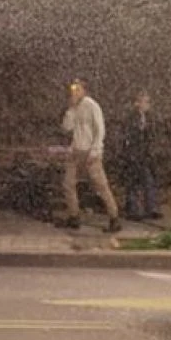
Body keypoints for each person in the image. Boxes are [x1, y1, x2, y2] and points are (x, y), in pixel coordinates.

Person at [59, 79, 121, 233]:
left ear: (85, 91)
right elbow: (67, 127)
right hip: (76, 151)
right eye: (73, 90)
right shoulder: (75, 107)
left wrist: (96, 150)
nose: (75, 92)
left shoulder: (92, 106)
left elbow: (100, 129)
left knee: (100, 185)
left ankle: (114, 217)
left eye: (78, 89)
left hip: (90, 151)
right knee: (68, 183)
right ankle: (74, 216)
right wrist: (71, 109)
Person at [121, 90, 163, 221]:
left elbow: (150, 136)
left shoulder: (149, 118)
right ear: (137, 103)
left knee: (148, 181)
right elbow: (128, 137)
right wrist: (130, 153)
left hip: (144, 156)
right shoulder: (130, 119)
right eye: (145, 102)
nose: (148, 105)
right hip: (134, 155)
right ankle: (133, 210)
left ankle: (151, 208)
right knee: (133, 182)